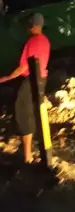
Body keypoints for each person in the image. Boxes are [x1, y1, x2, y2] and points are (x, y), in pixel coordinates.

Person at [0, 13, 50, 164]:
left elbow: (23, 66)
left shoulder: (32, 41)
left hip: (31, 80)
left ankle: (27, 156)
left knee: (23, 113)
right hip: (41, 79)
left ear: (32, 26)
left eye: (28, 25)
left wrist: (6, 78)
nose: (26, 28)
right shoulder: (45, 41)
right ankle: (31, 152)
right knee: (32, 113)